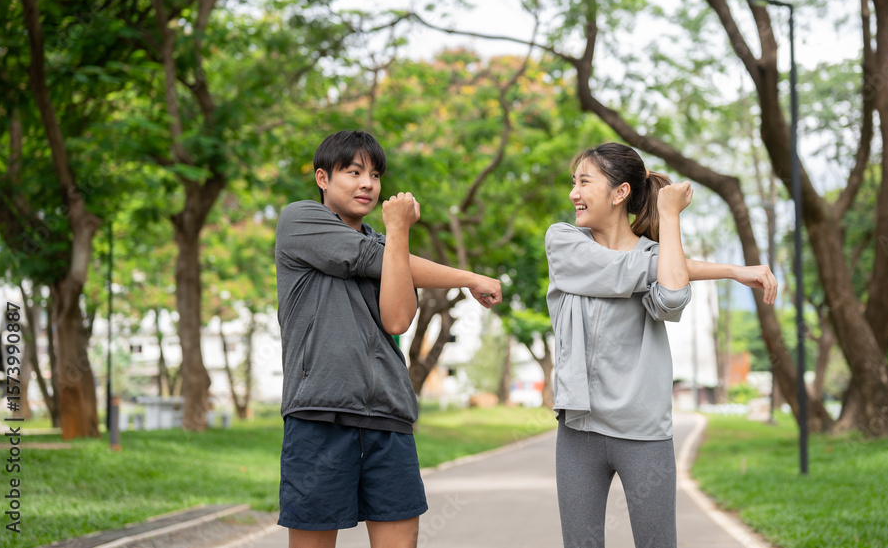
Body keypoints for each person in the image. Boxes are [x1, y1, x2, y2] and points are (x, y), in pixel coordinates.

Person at [274, 130, 502, 548]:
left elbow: (397, 320)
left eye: (375, 175)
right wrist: (468, 277)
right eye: (353, 172)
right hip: (319, 416)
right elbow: (368, 257)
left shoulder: (389, 249)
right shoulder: (299, 219)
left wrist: (398, 236)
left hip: (389, 417)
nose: (368, 184)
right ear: (323, 178)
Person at [545, 142, 777, 548]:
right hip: (579, 428)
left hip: (644, 430)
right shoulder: (564, 241)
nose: (573, 193)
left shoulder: (659, 255)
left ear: (619, 193)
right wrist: (730, 270)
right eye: (574, 183)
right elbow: (626, 270)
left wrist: (670, 220)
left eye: (584, 182)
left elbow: (670, 298)